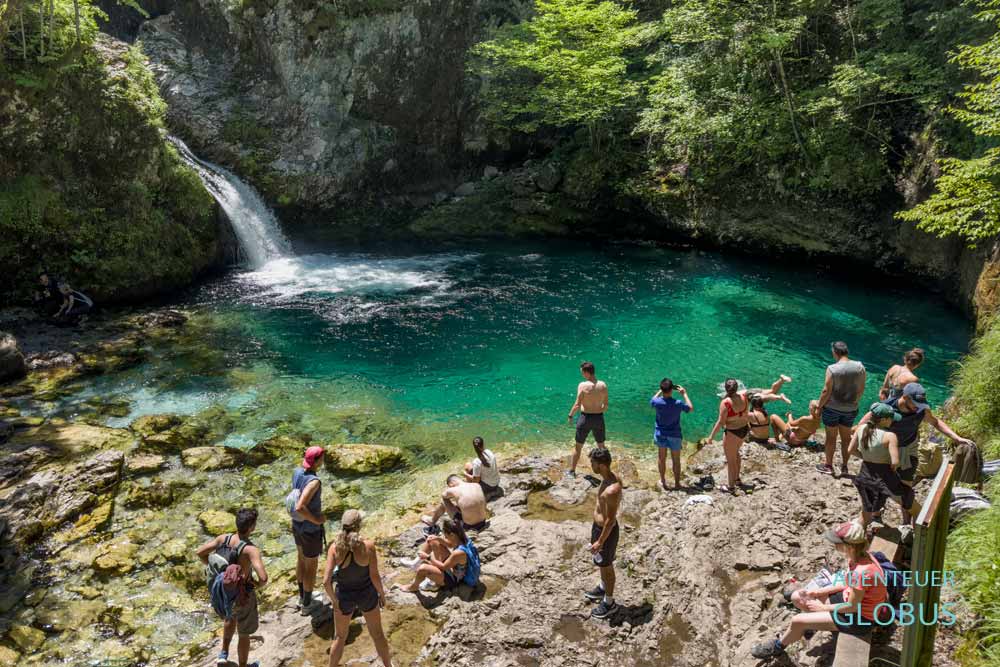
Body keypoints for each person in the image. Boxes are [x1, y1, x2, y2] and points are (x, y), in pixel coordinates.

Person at [751, 520, 887, 659]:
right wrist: (819, 592)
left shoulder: (862, 571)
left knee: (797, 621)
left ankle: (778, 647)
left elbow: (851, 607)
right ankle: (811, 624)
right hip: (850, 602)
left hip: (860, 619)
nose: (834, 545)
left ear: (849, 546)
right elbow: (847, 585)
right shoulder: (857, 557)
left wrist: (822, 607)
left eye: (837, 542)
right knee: (797, 597)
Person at [858, 382, 973, 523]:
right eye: (915, 402)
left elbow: (935, 422)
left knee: (906, 487)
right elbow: (862, 426)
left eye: (920, 402)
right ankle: (876, 514)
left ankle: (906, 523)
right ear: (905, 397)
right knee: (881, 484)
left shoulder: (921, 409)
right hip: (887, 450)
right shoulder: (887, 408)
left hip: (909, 449)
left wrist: (956, 438)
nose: (918, 406)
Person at [196, 508, 268, 667]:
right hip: (242, 595)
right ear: (252, 527)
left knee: (230, 617)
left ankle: (223, 654)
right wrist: (254, 584)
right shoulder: (250, 550)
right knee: (244, 634)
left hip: (223, 592)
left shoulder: (223, 539)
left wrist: (219, 572)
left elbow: (200, 552)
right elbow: (263, 578)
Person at [322, 510, 392, 667]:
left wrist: (334, 600)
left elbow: (326, 581)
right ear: (359, 525)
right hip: (367, 594)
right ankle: (388, 665)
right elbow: (375, 576)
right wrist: (382, 594)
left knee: (340, 637)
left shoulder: (334, 548)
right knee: (378, 635)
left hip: (344, 597)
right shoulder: (368, 546)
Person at [847, 403, 922, 527]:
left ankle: (857, 538)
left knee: (867, 511)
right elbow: (895, 462)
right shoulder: (889, 436)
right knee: (914, 507)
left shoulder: (860, 429)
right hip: (886, 479)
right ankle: (918, 537)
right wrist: (891, 468)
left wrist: (867, 458)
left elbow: (851, 450)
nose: (892, 420)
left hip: (865, 475)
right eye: (890, 418)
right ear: (883, 420)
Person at [583, 447, 622, 619]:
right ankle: (602, 587)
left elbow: (611, 521)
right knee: (601, 563)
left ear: (601, 465)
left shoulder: (612, 489)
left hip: (606, 532)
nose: (590, 465)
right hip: (598, 529)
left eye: (592, 462)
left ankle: (609, 602)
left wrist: (599, 541)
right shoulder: (606, 478)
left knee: (607, 566)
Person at [816, 341, 867, 476]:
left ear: (834, 352)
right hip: (850, 409)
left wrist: (819, 406)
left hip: (832, 408)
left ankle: (828, 466)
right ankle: (845, 467)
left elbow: (826, 391)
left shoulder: (832, 369)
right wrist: (855, 402)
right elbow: (861, 388)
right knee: (846, 438)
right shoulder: (860, 367)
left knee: (831, 437)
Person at [400, 516, 481, 594]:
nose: (444, 537)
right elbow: (450, 545)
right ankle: (414, 564)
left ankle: (415, 586)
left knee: (422, 569)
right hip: (451, 567)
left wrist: (428, 557)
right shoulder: (461, 538)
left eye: (445, 536)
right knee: (432, 541)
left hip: (454, 579)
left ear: (452, 535)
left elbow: (444, 567)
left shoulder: (459, 553)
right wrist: (437, 539)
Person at [291, 446, 326, 611]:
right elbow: (300, 506)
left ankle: (302, 597)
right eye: (322, 458)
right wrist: (317, 520)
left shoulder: (297, 472)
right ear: (318, 460)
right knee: (311, 565)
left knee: (301, 559)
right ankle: (307, 604)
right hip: (310, 530)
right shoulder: (314, 482)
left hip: (297, 525)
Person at [566, 361, 609, 477]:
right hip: (599, 418)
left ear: (586, 373)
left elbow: (577, 405)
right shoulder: (603, 385)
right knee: (601, 447)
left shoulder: (582, 385)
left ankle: (572, 471)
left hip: (585, 418)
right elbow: (606, 406)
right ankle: (606, 472)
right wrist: (598, 411)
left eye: (582, 373)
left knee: (578, 446)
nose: (582, 375)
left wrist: (570, 415)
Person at [650, 378, 693, 490]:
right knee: (676, 460)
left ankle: (663, 481)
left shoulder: (657, 402)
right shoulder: (678, 403)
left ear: (662, 389)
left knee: (661, 458)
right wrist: (684, 394)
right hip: (674, 434)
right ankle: (677, 483)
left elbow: (652, 400)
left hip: (660, 434)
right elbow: (690, 408)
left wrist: (660, 391)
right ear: (671, 390)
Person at [421, 474, 488, 532]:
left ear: (451, 484)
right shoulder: (476, 485)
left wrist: (450, 492)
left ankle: (432, 521)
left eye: (449, 486)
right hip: (483, 522)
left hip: (469, 526)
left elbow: (443, 495)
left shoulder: (454, 489)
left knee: (443, 500)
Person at [463, 436, 501, 501]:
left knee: (467, 467)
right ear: (483, 444)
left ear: (474, 447)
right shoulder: (489, 452)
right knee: (468, 465)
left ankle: (471, 492)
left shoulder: (477, 462)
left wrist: (465, 474)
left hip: (489, 487)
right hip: (496, 482)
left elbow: (476, 481)